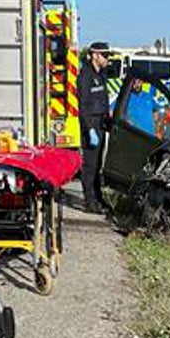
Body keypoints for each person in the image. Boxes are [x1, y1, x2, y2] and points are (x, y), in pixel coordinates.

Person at [76, 41, 111, 213]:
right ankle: (89, 201)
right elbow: (83, 105)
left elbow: (103, 101)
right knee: (90, 166)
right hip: (91, 124)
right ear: (94, 55)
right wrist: (89, 128)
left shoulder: (101, 74)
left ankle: (98, 197)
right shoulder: (86, 76)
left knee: (98, 165)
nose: (107, 58)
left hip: (101, 124)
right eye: (104, 55)